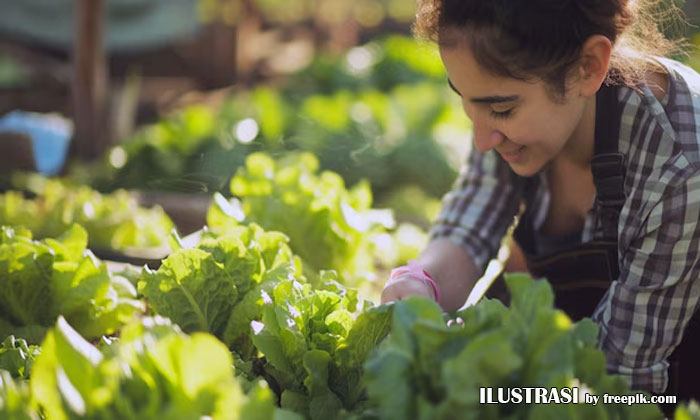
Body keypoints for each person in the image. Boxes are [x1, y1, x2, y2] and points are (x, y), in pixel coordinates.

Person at [381, 0, 700, 413]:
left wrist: (491, 395)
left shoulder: (680, 165)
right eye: (466, 101)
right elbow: (471, 221)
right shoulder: (517, 116)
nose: (481, 140)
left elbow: (621, 381)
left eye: (501, 109)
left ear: (588, 66)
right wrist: (421, 283)